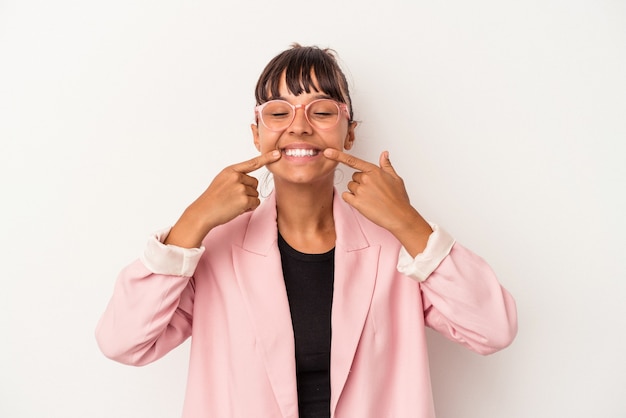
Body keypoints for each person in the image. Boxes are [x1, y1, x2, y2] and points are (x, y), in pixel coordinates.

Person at [95, 44, 517, 418]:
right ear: (256, 133)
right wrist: (193, 222)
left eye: (322, 111)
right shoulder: (215, 248)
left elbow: (492, 329)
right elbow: (123, 342)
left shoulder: (397, 246)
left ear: (350, 131)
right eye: (278, 112)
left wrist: (407, 220)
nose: (298, 127)